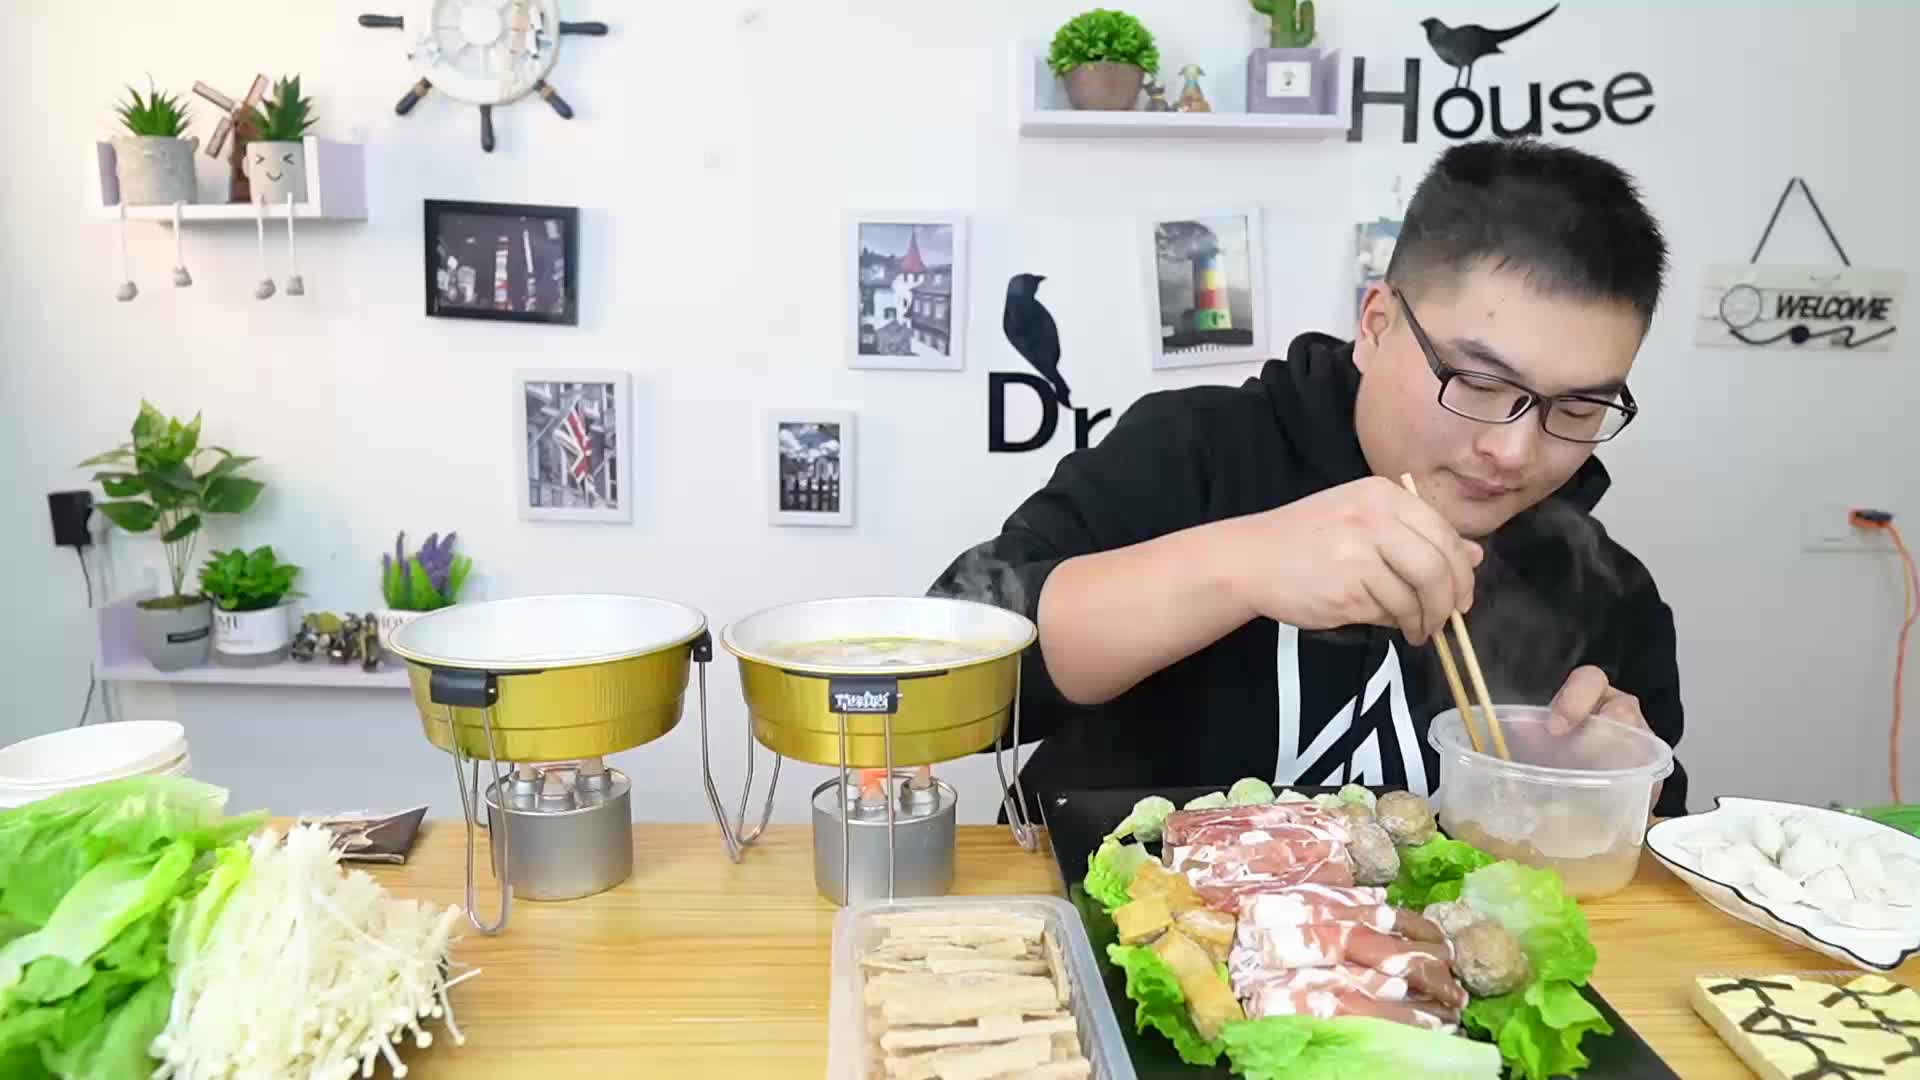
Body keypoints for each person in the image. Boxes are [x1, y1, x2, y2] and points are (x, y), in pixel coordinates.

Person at [930, 137, 1688, 818]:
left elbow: (1660, 840)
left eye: (1579, 407)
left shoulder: (1602, 588)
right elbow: (936, 686)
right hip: (1123, 914)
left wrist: (1619, 784)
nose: (1517, 450)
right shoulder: (1198, 451)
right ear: (1377, 325)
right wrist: (1240, 563)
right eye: (1479, 383)